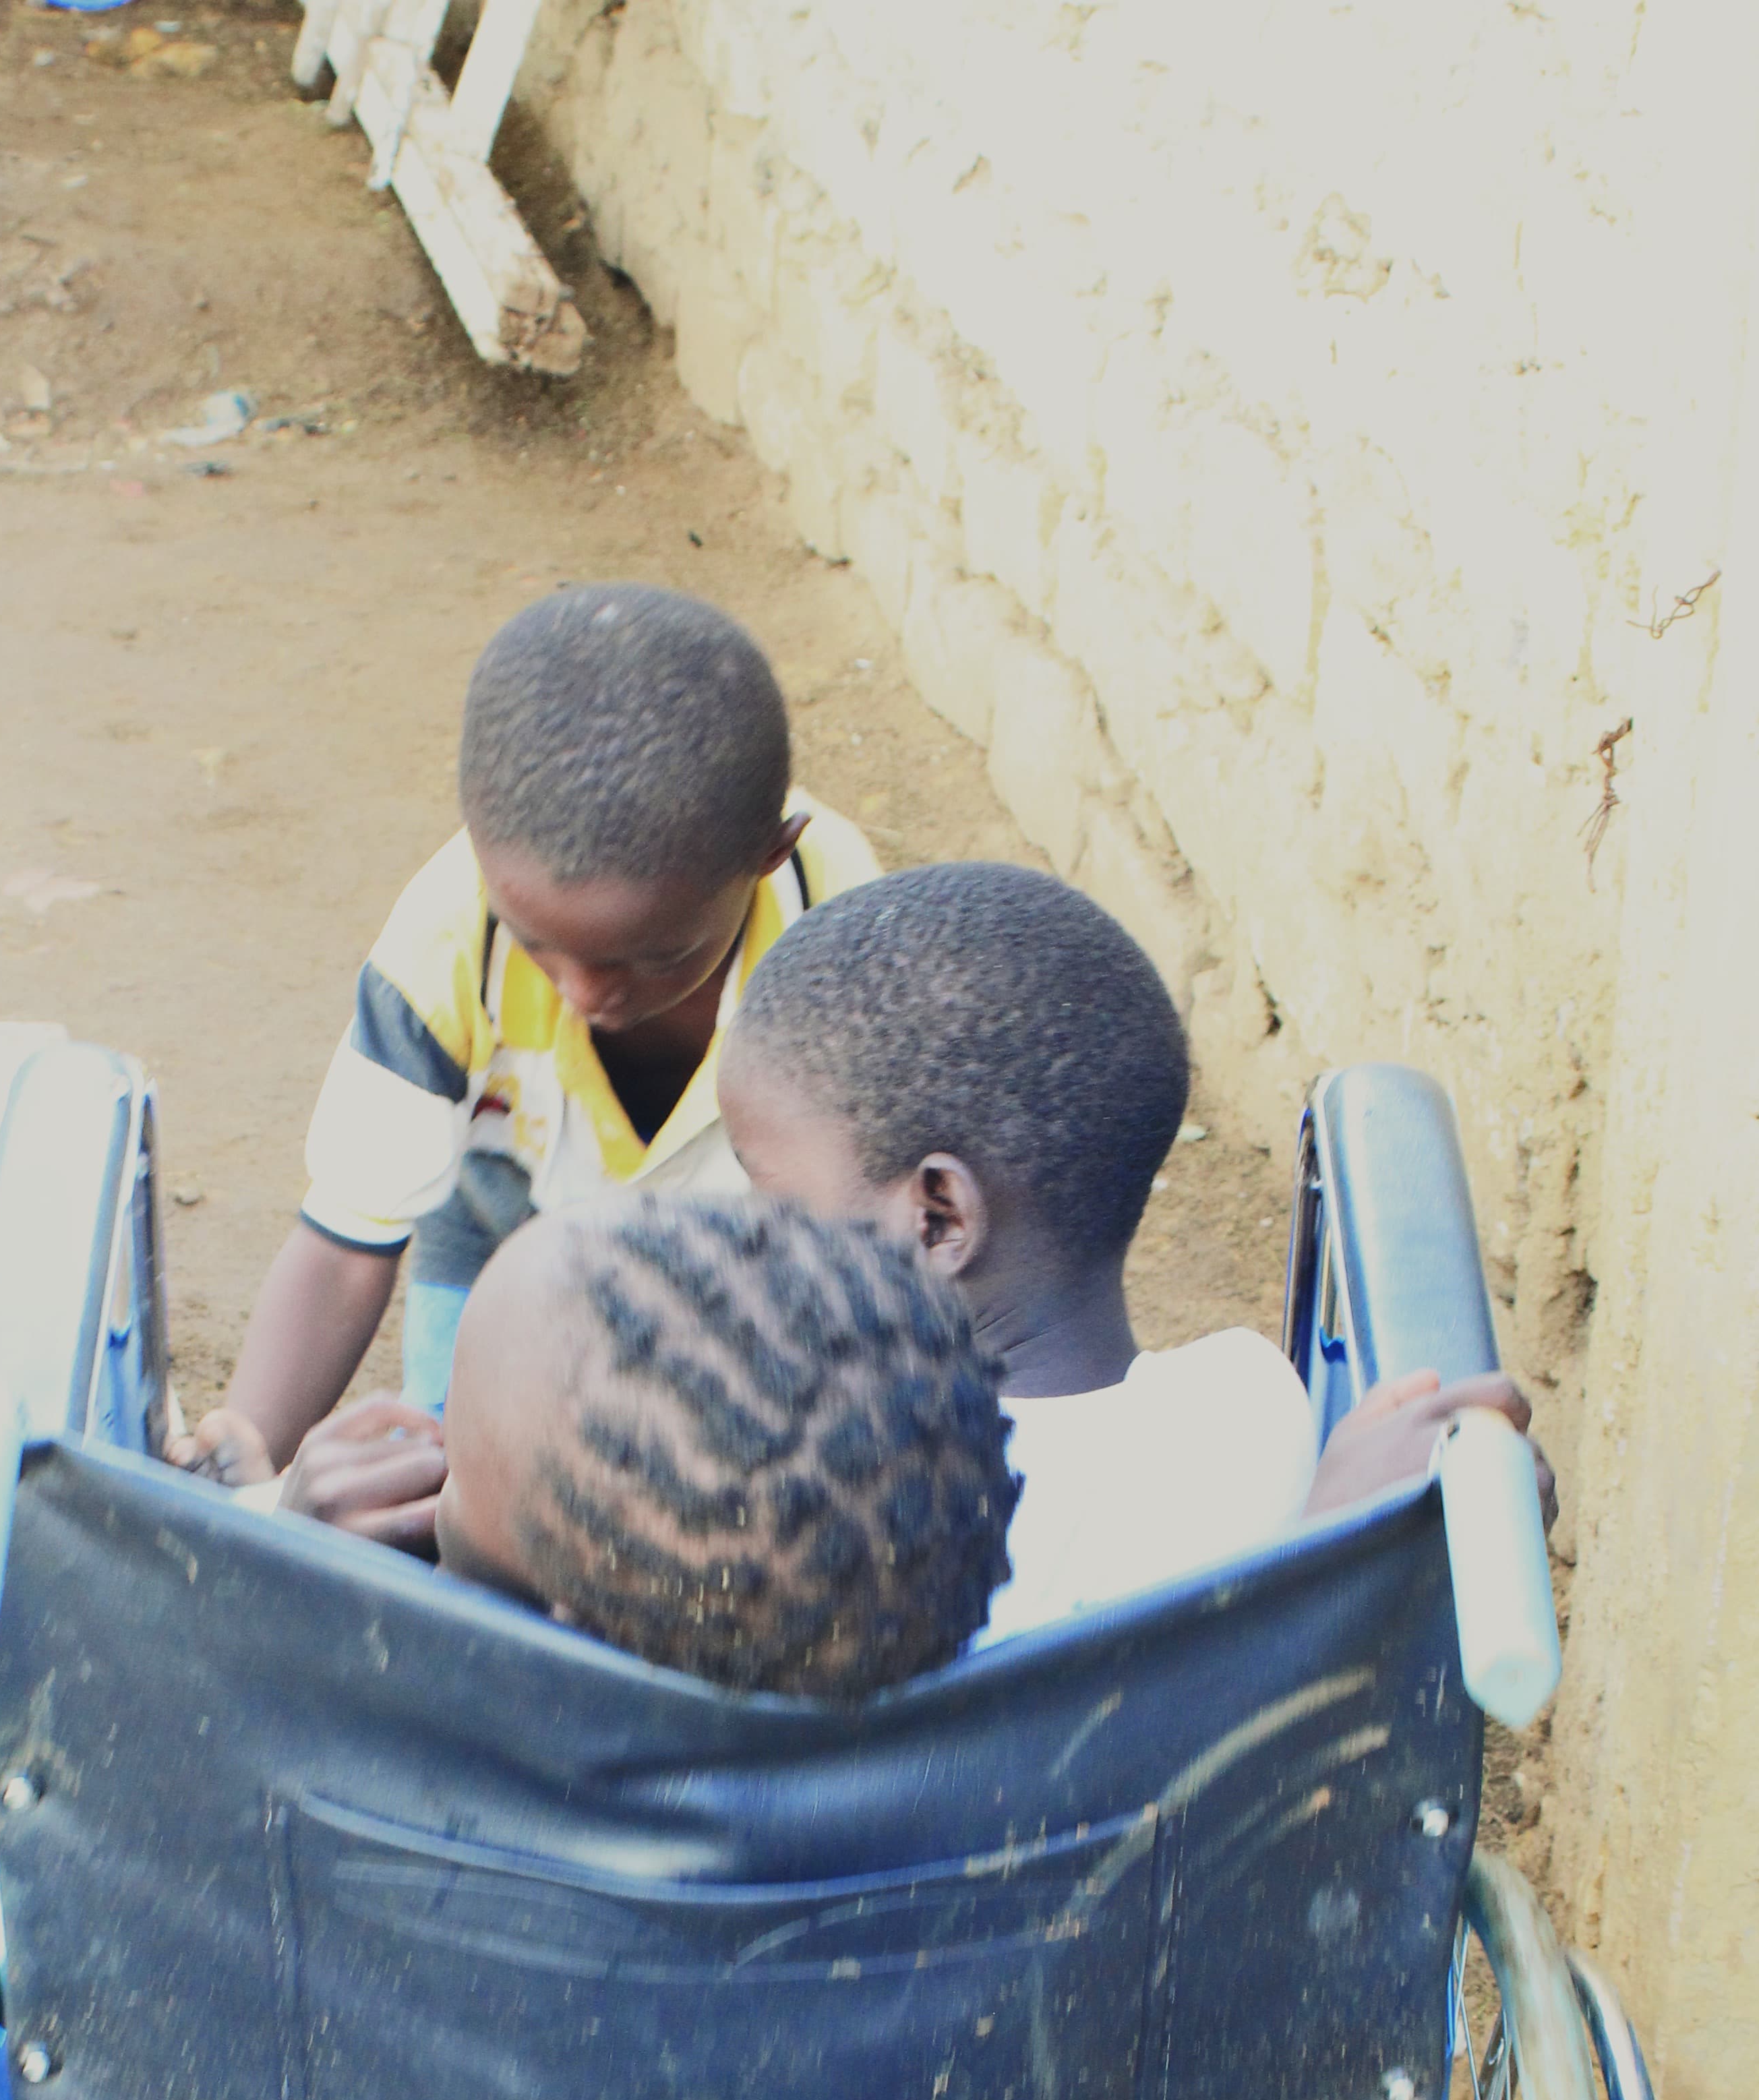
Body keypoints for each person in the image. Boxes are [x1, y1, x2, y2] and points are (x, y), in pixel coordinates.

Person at [173, 584, 880, 1536]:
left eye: (657, 954)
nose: (589, 996)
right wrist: (247, 1467)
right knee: (467, 1500)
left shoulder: (848, 937)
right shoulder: (444, 941)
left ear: (768, 855)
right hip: (506, 1256)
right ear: (480, 843)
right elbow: (345, 1250)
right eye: (538, 943)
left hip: (747, 1277)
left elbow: (866, 1253)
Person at [717, 862, 1550, 1643]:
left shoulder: (807, 1505)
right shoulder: (1248, 1412)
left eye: (768, 1192)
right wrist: (1339, 1545)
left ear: (938, 1219)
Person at [233, 1195, 1019, 1700]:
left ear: (564, 1634)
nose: (431, 1475)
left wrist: (288, 1581)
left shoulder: (381, 1759)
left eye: (454, 1478)